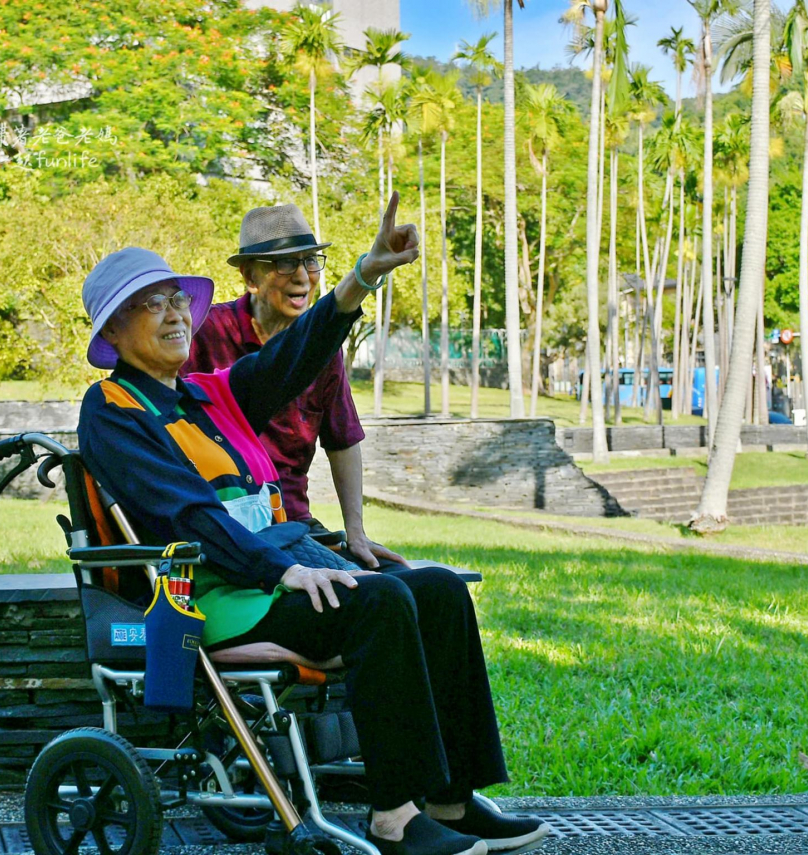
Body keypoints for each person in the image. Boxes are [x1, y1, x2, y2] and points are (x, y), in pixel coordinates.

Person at [76, 195, 550, 855]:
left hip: (278, 570)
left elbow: (297, 354)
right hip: (217, 595)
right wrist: (284, 568)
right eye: (152, 304)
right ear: (115, 331)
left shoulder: (210, 392)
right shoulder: (110, 409)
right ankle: (395, 816)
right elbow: (187, 511)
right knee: (377, 601)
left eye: (177, 299)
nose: (176, 313)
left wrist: (365, 274)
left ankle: (451, 798)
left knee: (437, 589)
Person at [181, 202, 405, 571]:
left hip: (296, 526)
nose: (302, 276)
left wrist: (356, 532)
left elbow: (343, 440)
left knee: (411, 579)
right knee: (371, 594)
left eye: (310, 261)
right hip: (229, 530)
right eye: (285, 263)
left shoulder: (323, 350)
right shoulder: (206, 334)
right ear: (250, 277)